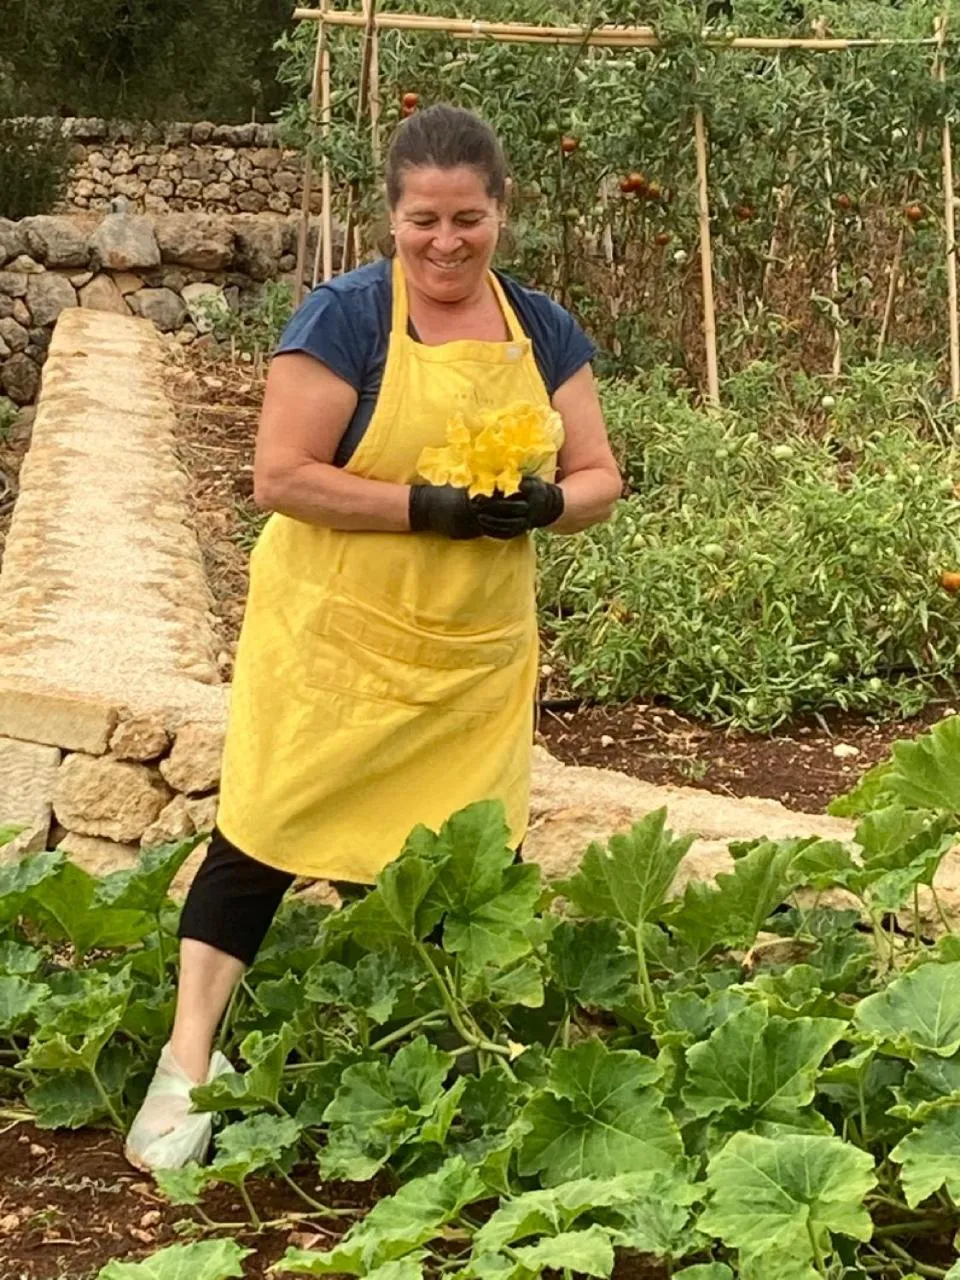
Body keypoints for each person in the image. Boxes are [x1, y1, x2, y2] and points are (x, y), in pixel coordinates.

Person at [125, 103, 622, 1172]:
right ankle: (186, 1065)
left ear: (501, 214)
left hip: (467, 656)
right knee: (260, 836)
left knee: (461, 868)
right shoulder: (344, 315)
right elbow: (279, 476)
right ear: (391, 217)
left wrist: (546, 506)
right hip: (335, 643)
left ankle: (438, 1077)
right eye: (424, 221)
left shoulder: (545, 330)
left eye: (469, 220)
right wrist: (424, 506)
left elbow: (600, 477)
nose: (447, 243)